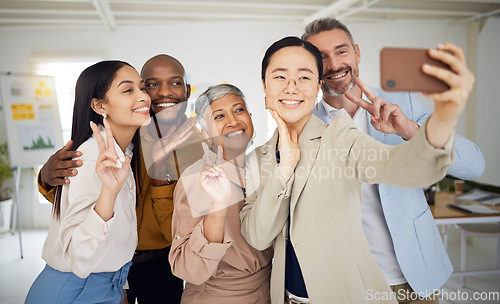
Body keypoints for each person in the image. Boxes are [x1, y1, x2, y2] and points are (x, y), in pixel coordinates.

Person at [240, 36, 475, 304]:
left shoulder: (339, 135)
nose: (291, 88)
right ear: (264, 85)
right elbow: (257, 236)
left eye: (304, 78)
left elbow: (394, 165)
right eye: (280, 77)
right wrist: (284, 171)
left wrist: (443, 121)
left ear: (318, 87)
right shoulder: (257, 159)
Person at [302, 17, 485, 303]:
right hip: (349, 281)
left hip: (413, 278)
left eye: (341, 51)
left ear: (357, 53)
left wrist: (411, 131)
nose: (334, 64)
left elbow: (474, 165)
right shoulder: (304, 127)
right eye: (321, 57)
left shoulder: (404, 104)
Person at [37, 54, 205, 304]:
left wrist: (159, 173)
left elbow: (181, 226)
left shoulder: (195, 144)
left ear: (188, 90)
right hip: (103, 266)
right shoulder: (123, 138)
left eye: (175, 83)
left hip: (154, 261)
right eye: (150, 84)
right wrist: (47, 178)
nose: (162, 93)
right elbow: (79, 203)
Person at [25, 60, 151, 303]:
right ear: (99, 105)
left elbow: (116, 236)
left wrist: (120, 283)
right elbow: (78, 256)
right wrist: (109, 193)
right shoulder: (92, 156)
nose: (143, 96)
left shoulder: (126, 152)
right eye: (128, 90)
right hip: (75, 289)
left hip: (104, 285)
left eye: (142, 87)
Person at [169, 84, 272, 303]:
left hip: (267, 290)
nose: (233, 121)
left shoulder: (263, 168)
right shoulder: (197, 178)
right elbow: (185, 266)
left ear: (251, 117)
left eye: (238, 110)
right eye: (219, 116)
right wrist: (218, 206)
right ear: (205, 132)